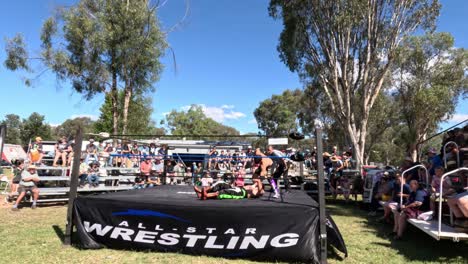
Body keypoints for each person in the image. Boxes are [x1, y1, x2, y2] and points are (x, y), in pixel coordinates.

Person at [194, 178, 264, 200]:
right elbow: (256, 181)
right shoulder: (254, 186)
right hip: (237, 188)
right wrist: (257, 182)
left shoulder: (259, 191)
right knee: (220, 182)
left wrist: (259, 181)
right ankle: (202, 192)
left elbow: (260, 191)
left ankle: (207, 196)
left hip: (241, 193)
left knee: (224, 192)